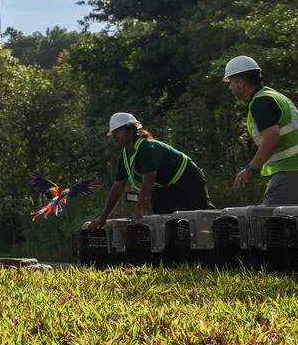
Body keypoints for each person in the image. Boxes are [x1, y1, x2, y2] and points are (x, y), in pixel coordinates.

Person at [87, 112, 213, 230]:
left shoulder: (147, 146)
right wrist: (102, 218)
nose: (114, 136)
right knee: (164, 223)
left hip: (188, 178)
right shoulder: (125, 156)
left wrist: (139, 211)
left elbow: (149, 179)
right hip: (164, 186)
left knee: (202, 217)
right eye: (113, 133)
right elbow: (117, 187)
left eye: (117, 132)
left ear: (130, 130)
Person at [224, 56, 298, 205]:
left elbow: (272, 139)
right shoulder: (272, 96)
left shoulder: (260, 102)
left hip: (289, 171)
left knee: (270, 222)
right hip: (291, 170)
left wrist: (250, 168)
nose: (230, 88)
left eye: (231, 83)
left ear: (241, 83)